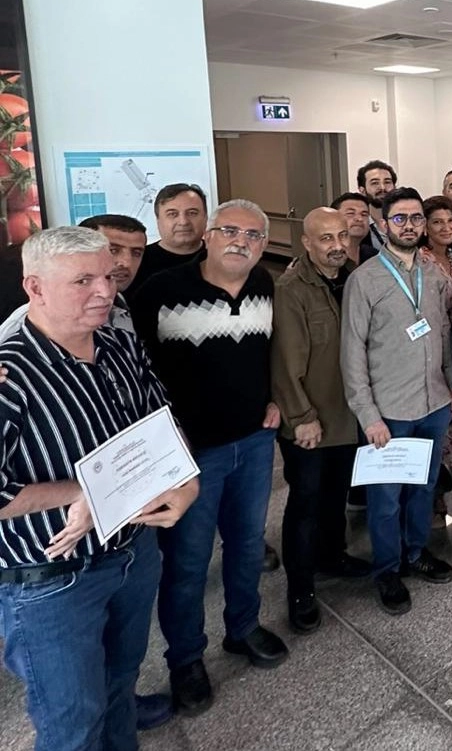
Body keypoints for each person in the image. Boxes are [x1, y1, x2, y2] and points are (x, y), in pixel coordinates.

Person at [0, 227, 198, 751]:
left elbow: (160, 416)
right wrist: (79, 493)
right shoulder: (9, 373)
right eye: (83, 281)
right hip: (52, 580)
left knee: (119, 683)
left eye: (108, 277)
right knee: (71, 722)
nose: (106, 291)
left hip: (131, 551)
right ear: (35, 287)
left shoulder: (118, 344)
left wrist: (186, 477)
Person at [131, 199, 287, 716]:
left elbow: (270, 353)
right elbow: (136, 374)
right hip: (190, 454)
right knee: (187, 562)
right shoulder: (160, 291)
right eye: (230, 231)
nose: (241, 241)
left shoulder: (264, 284)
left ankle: (242, 627)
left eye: (253, 234)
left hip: (254, 442)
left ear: (263, 245)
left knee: (246, 544)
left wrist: (275, 399)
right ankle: (185, 659)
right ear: (209, 236)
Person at [341, 187, 452, 615]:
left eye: (416, 218)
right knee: (386, 499)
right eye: (400, 218)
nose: (409, 226)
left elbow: (442, 331)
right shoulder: (364, 279)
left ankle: (415, 552)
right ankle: (388, 569)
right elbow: (352, 352)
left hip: (434, 403)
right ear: (384, 224)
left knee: (424, 488)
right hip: (388, 411)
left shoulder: (433, 273)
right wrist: (368, 415)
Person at [271, 208, 371, 636]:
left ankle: (332, 555)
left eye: (342, 236)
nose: (336, 245)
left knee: (335, 494)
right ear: (307, 242)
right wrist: (301, 417)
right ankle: (300, 587)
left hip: (348, 414)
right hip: (312, 418)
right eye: (326, 238)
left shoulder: (355, 279)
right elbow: (284, 362)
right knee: (305, 502)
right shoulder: (291, 288)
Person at [0, 214, 145, 339]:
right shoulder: (22, 329)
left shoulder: (120, 303)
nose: (126, 262)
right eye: (113, 250)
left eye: (136, 253)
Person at [419, 196, 452, 521]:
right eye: (437, 221)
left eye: (451, 221)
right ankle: (433, 496)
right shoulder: (421, 262)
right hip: (431, 350)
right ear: (425, 227)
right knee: (434, 420)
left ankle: (447, 480)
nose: (446, 227)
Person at [126, 183, 207, 298]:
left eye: (192, 213)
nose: (183, 222)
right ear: (158, 220)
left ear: (205, 218)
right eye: (172, 214)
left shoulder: (220, 258)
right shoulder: (136, 262)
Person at [355, 159, 396, 252]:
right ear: (362, 190)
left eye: (387, 182)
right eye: (375, 183)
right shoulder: (358, 225)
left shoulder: (408, 221)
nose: (382, 187)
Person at [332, 191, 379, 266]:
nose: (359, 219)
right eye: (350, 213)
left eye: (364, 214)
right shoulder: (327, 255)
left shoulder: (374, 256)